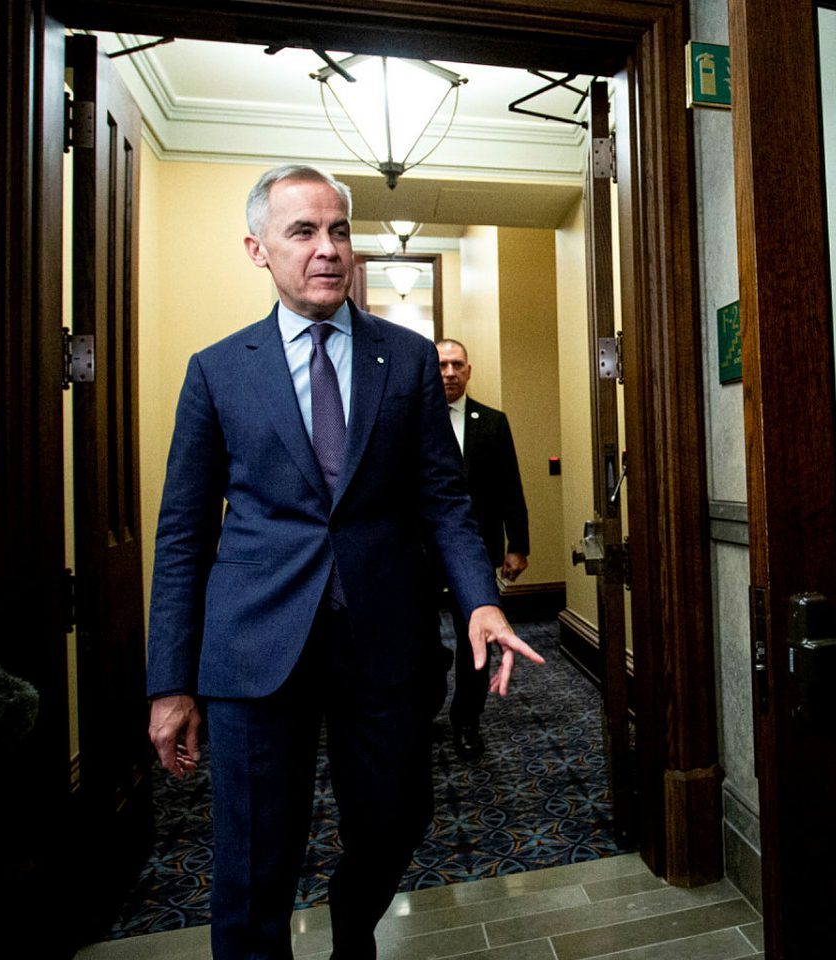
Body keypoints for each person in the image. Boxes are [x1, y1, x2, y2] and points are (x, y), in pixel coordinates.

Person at [143, 164, 544, 960]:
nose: (328, 250)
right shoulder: (219, 370)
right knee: (255, 861)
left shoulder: (407, 359)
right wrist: (170, 682)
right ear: (257, 249)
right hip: (255, 651)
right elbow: (183, 535)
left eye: (339, 230)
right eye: (302, 232)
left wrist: (479, 600)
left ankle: (352, 920)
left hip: (384, 643)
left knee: (398, 820)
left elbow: (444, 498)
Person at [432, 338, 530, 761]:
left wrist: (517, 545)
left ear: (469, 370)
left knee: (478, 640)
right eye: (441, 366)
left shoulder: (491, 422)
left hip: (475, 552)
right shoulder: (410, 421)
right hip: (419, 555)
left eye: (456, 365)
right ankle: (425, 705)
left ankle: (467, 721)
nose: (449, 373)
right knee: (420, 641)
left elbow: (511, 486)